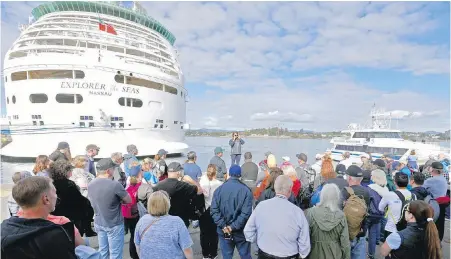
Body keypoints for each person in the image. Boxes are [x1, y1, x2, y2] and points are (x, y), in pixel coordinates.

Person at [1, 176, 99, 259]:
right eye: (55, 192)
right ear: (46, 199)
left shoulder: (4, 228)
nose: (57, 197)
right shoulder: (54, 235)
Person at [244, 175, 311, 259]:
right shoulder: (297, 212)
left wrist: (259, 242)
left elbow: (248, 231)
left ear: (275, 188)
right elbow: (304, 242)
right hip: (288, 255)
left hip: (265, 253)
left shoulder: (261, 206)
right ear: (290, 190)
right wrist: (302, 254)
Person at [88, 158, 132, 259]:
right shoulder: (115, 185)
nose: (114, 170)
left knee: (103, 252)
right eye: (113, 168)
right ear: (108, 171)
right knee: (115, 254)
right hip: (114, 223)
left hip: (99, 222)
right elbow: (128, 200)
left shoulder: (90, 184)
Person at [134, 191, 194, 259]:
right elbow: (187, 249)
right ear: (167, 204)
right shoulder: (176, 222)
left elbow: (137, 245)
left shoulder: (142, 220)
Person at [211, 165, 253, 259]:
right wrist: (232, 227)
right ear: (240, 175)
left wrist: (224, 226)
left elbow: (214, 211)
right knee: (245, 255)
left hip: (224, 231)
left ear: (229, 174)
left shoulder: (218, 190)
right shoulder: (246, 190)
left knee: (226, 256)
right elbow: (246, 214)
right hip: (240, 231)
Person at [49, 160, 96, 237]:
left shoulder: (50, 183)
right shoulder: (68, 184)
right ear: (65, 171)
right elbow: (79, 201)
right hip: (71, 217)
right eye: (70, 170)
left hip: (56, 216)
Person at [305, 183, 350, 259]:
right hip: (335, 254)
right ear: (337, 197)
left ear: (322, 196)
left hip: (315, 254)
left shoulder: (311, 213)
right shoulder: (341, 216)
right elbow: (345, 243)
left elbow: (305, 238)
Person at [152, 162, 202, 227]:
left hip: (164, 219)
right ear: (178, 173)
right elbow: (200, 191)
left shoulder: (158, 185)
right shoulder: (183, 185)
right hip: (181, 220)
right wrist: (191, 181)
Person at [342, 165, 370, 259]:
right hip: (360, 232)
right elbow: (367, 213)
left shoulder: (345, 191)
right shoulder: (366, 192)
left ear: (349, 177)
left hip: (346, 233)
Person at [199, 164, 223, 259]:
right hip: (215, 210)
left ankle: (205, 254)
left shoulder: (203, 182)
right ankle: (213, 253)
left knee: (204, 233)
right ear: (215, 172)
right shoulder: (219, 184)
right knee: (214, 233)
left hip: (204, 210)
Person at [379, 172, 413, 237]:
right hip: (407, 228)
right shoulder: (412, 195)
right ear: (408, 182)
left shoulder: (389, 194)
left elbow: (380, 208)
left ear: (395, 182)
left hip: (391, 228)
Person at [367, 169, 389, 259]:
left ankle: (369, 254)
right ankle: (371, 254)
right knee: (373, 233)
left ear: (375, 177)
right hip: (380, 214)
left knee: (364, 234)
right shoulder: (386, 189)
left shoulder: (370, 188)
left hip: (369, 214)